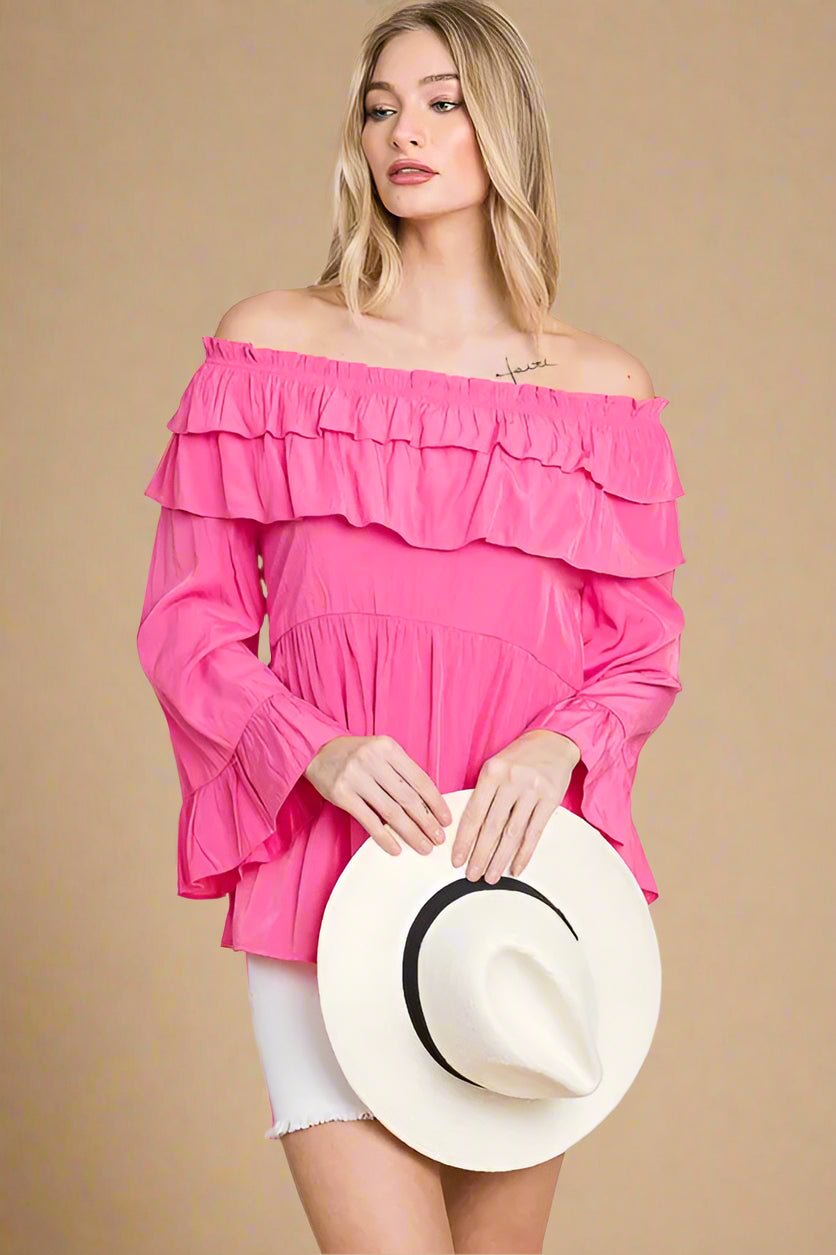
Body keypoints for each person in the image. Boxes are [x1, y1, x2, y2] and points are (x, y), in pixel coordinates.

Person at [136, 3, 686, 1251]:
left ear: (502, 127)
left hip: (515, 892)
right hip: (328, 878)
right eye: (380, 107)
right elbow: (187, 624)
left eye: (442, 103)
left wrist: (554, 747)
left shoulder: (599, 393)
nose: (404, 133)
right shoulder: (271, 351)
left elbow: (638, 652)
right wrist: (313, 746)